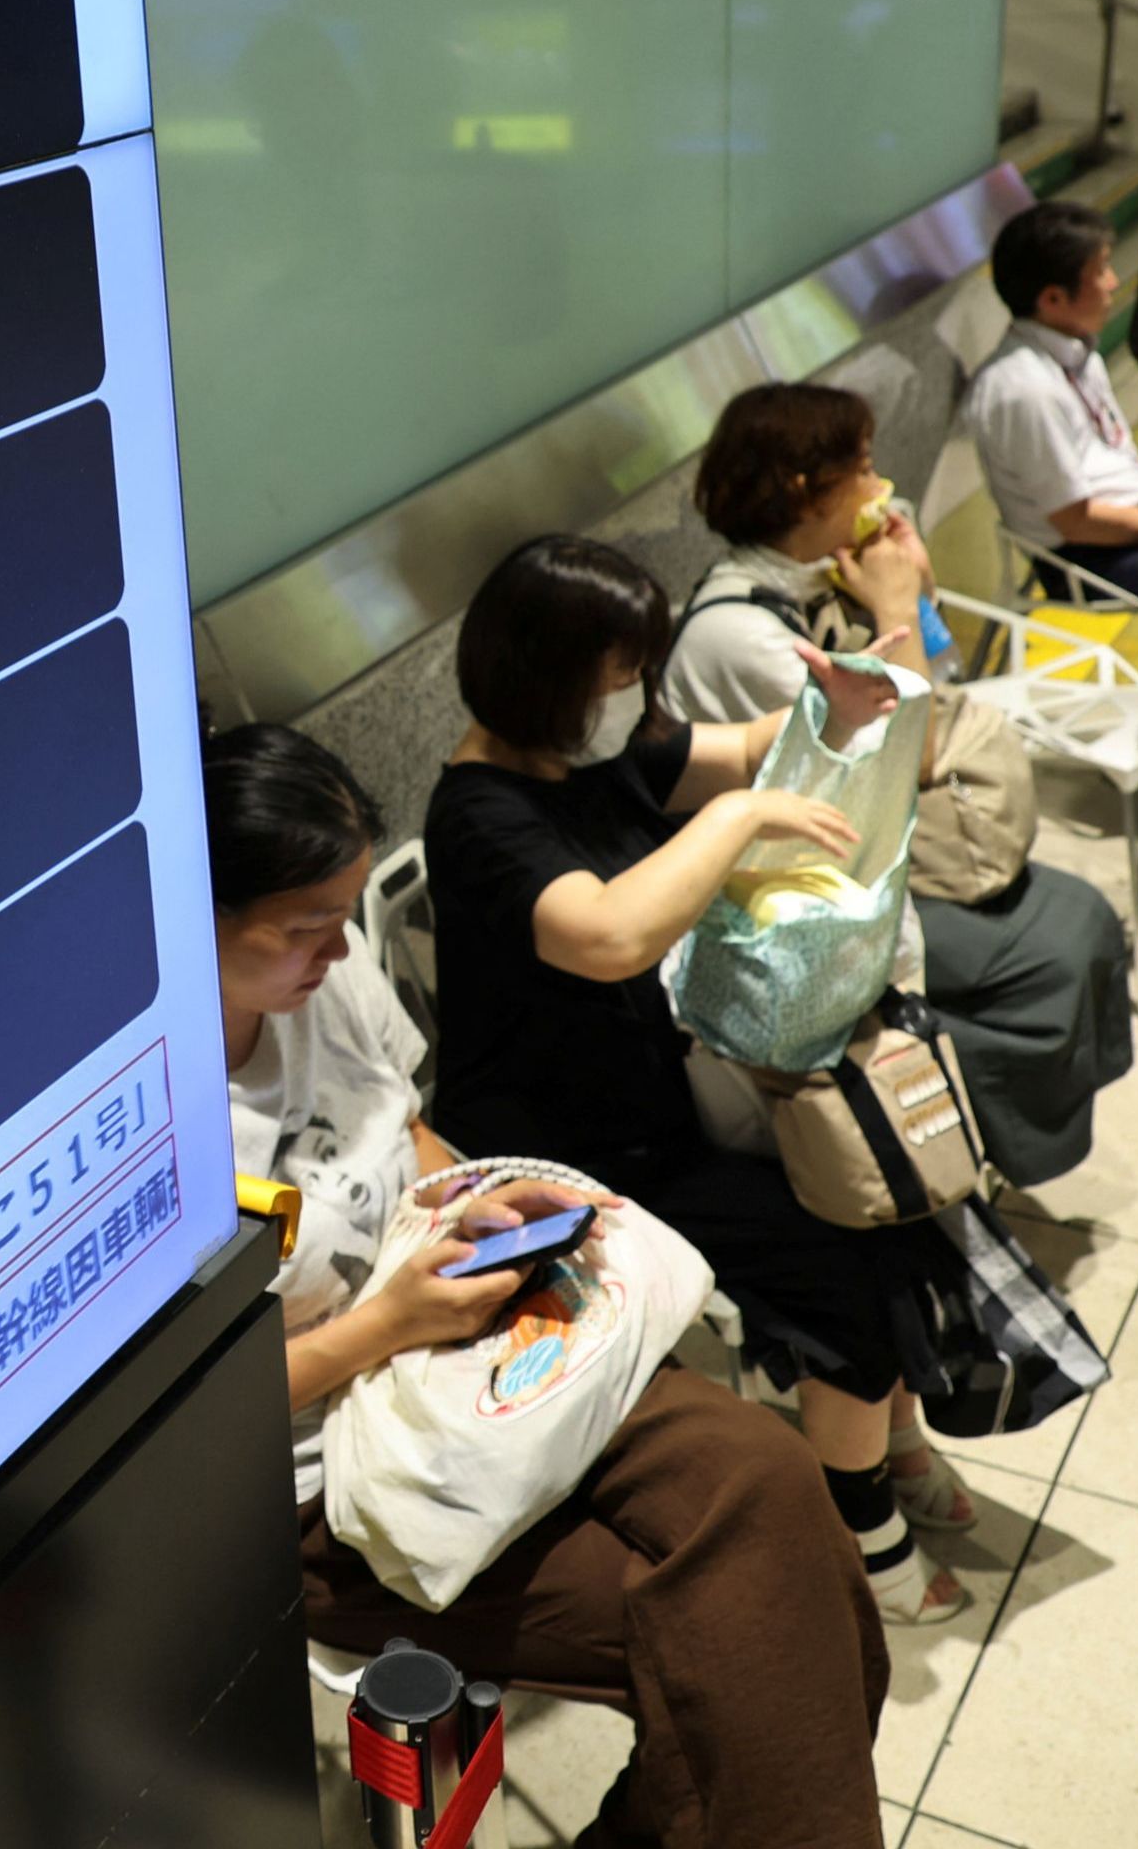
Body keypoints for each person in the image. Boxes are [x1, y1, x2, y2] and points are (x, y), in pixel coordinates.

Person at [210, 723, 890, 1849]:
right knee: (761, 1639)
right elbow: (185, 1420)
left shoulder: (327, 979)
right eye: (302, 929)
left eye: (343, 918)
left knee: (776, 1484)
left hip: (460, 1354)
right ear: (189, 920)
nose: (336, 950)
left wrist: (471, 1201)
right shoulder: (150, 1134)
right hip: (319, 1478)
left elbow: (407, 1130)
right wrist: (390, 1323)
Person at [423, 534, 982, 1625]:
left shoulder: (590, 754)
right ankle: (857, 1527)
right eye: (618, 676)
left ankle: (890, 1441)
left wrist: (834, 706)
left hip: (664, 1102)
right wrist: (736, 820)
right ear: (543, 679)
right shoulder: (482, 816)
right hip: (565, 1159)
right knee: (839, 1269)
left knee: (894, 1213)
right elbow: (607, 936)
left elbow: (745, 748)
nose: (637, 698)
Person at [663, 383, 1138, 1188]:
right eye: (863, 468)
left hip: (853, 846)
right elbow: (908, 758)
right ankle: (956, 1138)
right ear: (806, 491)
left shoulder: (819, 573)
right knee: (1049, 954)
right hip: (783, 899)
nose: (879, 486)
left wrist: (915, 596)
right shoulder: (743, 631)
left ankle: (990, 1141)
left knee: (1083, 916)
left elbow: (938, 677)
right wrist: (896, 606)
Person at [962, 202, 1138, 616]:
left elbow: (1121, 457)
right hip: (1087, 552)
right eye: (1101, 271)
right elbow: (1076, 521)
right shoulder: (1024, 391)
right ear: (1054, 298)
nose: (1113, 282)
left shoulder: (1076, 351)